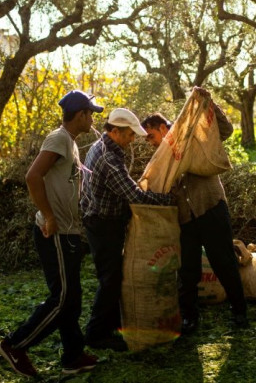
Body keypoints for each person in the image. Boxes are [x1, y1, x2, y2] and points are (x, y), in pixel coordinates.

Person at [0, 90, 103, 377]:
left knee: (73, 296)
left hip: (68, 232)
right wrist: (49, 216)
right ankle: (16, 345)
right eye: (90, 113)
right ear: (80, 114)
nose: (92, 118)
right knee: (63, 297)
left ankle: (72, 356)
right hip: (54, 232)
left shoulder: (71, 143)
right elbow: (33, 176)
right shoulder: (58, 138)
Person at [141, 87, 248, 335]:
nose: (149, 142)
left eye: (150, 136)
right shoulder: (162, 158)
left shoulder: (192, 136)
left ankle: (239, 311)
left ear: (162, 128)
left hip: (210, 207)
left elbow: (226, 131)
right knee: (188, 269)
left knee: (224, 262)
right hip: (186, 218)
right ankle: (189, 318)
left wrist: (209, 102)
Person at [81, 108, 175, 351]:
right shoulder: (108, 159)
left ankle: (111, 325)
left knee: (113, 275)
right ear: (114, 131)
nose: (133, 139)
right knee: (110, 279)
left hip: (99, 219)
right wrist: (165, 201)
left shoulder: (103, 147)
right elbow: (133, 195)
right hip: (103, 225)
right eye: (129, 134)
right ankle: (96, 334)